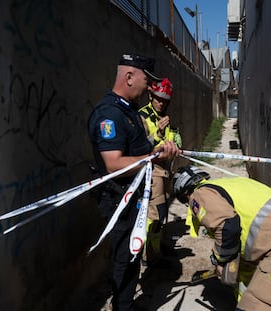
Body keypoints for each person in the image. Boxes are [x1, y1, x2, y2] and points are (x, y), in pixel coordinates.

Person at [87, 52, 179, 311]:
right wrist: (152, 157)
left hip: (133, 198)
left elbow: (137, 149)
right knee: (124, 258)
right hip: (119, 200)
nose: (150, 87)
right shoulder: (110, 114)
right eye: (147, 80)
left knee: (131, 256)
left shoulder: (128, 111)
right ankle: (123, 306)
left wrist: (157, 146)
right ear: (129, 77)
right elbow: (114, 163)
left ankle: (124, 303)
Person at [172, 165, 271, 311]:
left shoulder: (200, 194)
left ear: (185, 194)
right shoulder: (230, 183)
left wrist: (222, 261)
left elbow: (228, 226)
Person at [138, 77, 182, 264]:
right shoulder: (142, 116)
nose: (161, 102)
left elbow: (178, 141)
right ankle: (143, 255)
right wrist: (158, 135)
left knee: (161, 214)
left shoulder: (167, 118)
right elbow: (138, 147)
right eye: (158, 98)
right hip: (151, 170)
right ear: (150, 95)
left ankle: (156, 250)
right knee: (153, 214)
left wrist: (176, 144)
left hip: (166, 171)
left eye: (165, 99)